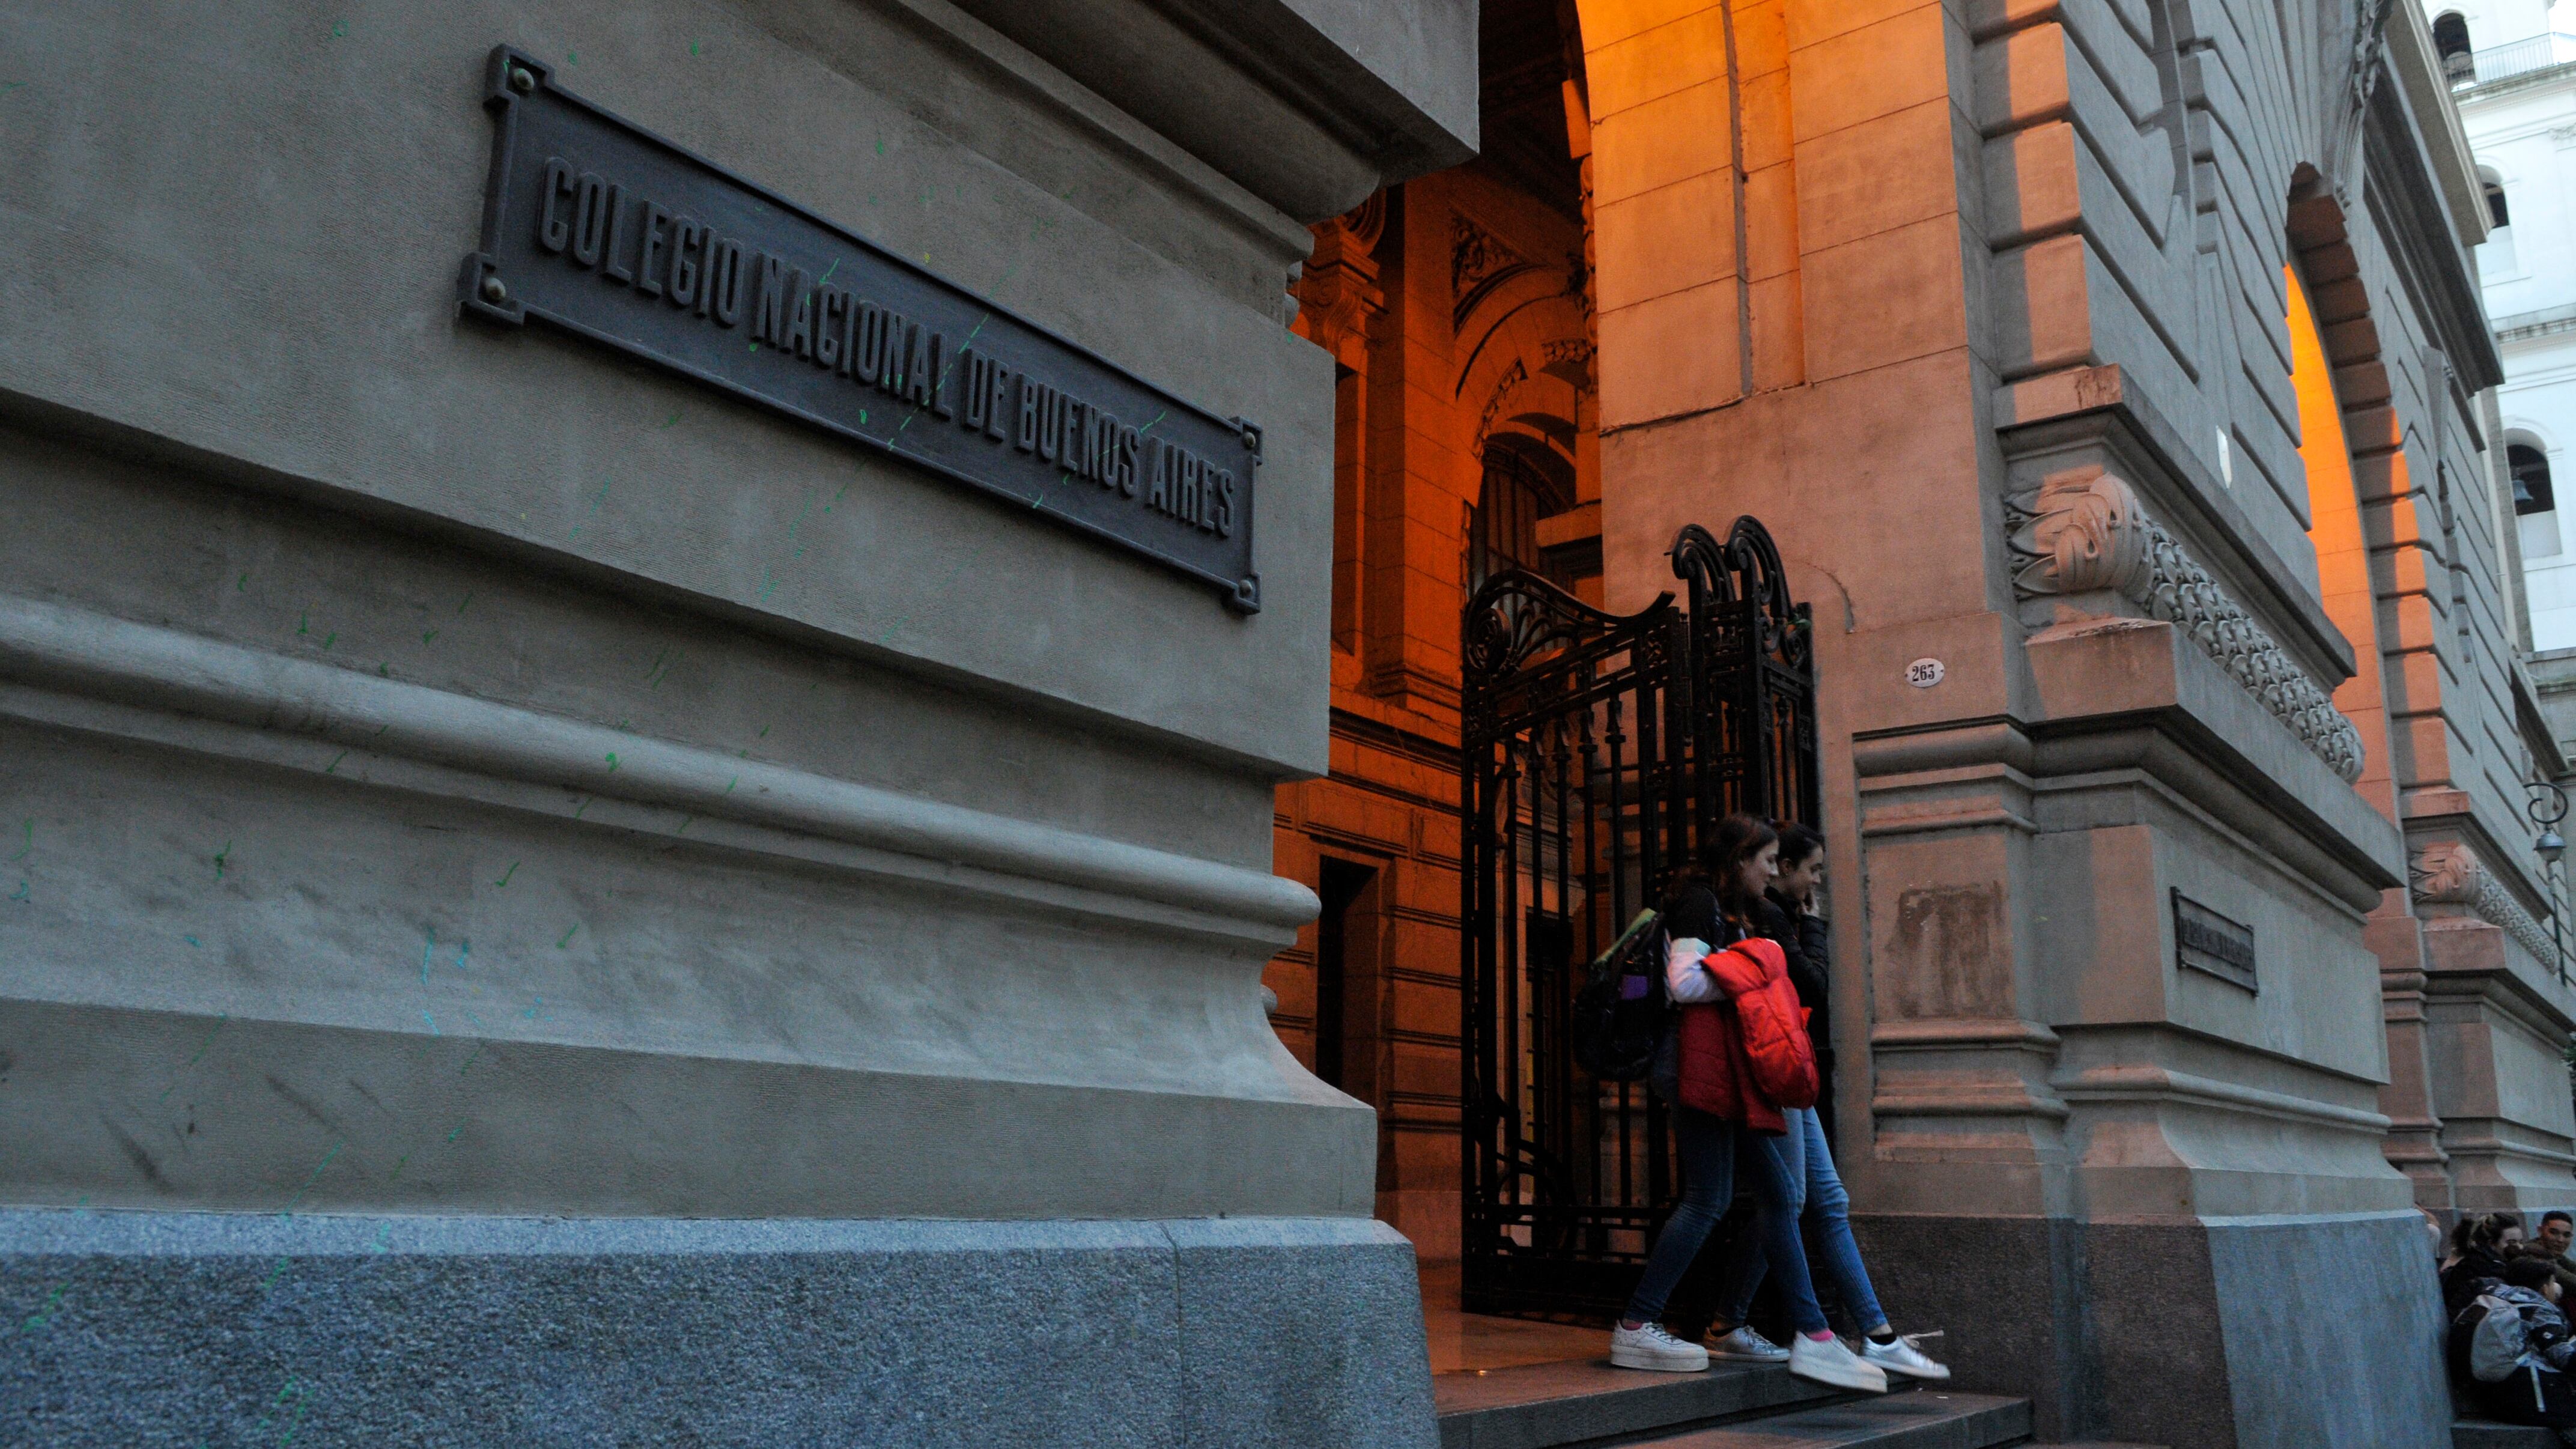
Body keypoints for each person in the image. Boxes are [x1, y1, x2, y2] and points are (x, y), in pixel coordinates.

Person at [1608, 815, 1885, 1392]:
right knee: (1711, 1200)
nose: (1771, 869)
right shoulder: (1698, 903)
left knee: (1777, 1194)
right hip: (1699, 1071)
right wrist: (1756, 973)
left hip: (1726, 1073)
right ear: (1739, 859)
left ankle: (1809, 1335)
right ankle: (1638, 1321)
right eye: (1765, 859)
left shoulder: (1726, 909)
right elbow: (1684, 984)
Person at [1700, 822, 1949, 1384]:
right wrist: (1810, 927)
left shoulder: (1757, 915)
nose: (1810, 879)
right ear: (1766, 864)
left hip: (1786, 1067)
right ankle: (1821, 1333)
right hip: (1767, 1069)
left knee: (1817, 1200)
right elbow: (1810, 983)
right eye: (1801, 867)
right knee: (1785, 1201)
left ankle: (1857, 1333)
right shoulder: (1757, 916)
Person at [2447, 1212, 2529, 1319]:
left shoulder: (2497, 1263)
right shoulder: (2479, 1267)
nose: (2520, 1247)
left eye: (2521, 1242)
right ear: (2492, 1244)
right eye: (2511, 1242)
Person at [2539, 1211, 2576, 1299]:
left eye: (2566, 1235)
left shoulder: (2557, 1257)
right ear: (2540, 1231)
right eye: (2554, 1233)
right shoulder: (2534, 1253)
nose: (2561, 1240)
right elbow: (2569, 1280)